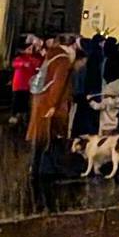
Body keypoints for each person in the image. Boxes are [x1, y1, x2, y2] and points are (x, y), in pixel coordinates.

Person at [27, 36, 76, 177]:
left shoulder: (51, 56)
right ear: (70, 46)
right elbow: (58, 84)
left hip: (41, 100)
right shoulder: (63, 60)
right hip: (53, 103)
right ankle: (46, 169)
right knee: (51, 136)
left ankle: (36, 167)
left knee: (41, 136)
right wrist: (53, 105)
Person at [10, 36, 43, 126]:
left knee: (25, 101)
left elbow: (37, 66)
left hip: (28, 84)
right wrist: (23, 64)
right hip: (19, 84)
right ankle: (15, 116)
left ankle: (23, 117)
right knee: (16, 100)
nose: (30, 50)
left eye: (31, 49)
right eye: (28, 48)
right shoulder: (19, 57)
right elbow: (15, 64)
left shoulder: (35, 59)